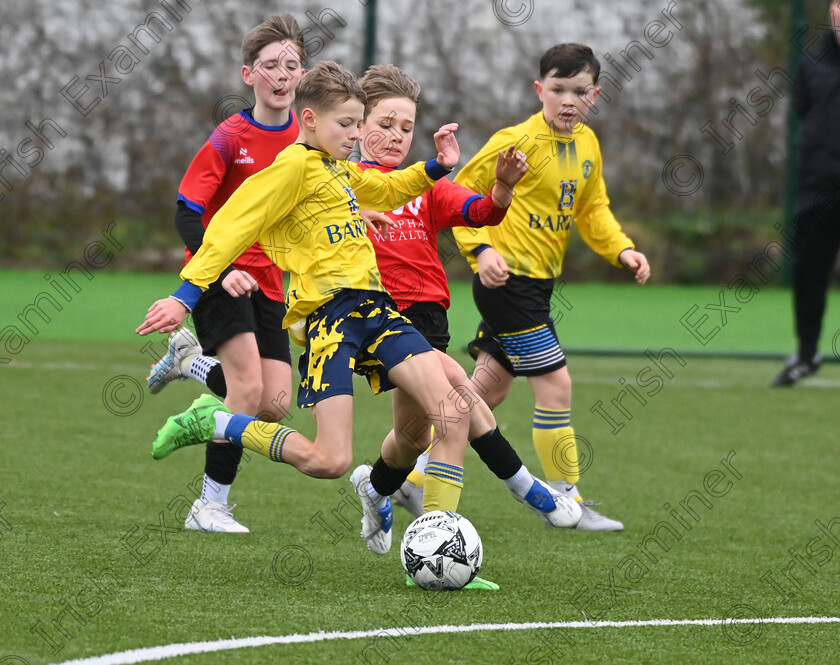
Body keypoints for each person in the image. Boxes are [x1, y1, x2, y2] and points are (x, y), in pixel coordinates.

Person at [137, 60, 468, 558]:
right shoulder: (290, 168)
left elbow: (388, 187)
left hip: (378, 313)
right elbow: (229, 229)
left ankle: (441, 546)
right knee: (328, 460)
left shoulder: (338, 168)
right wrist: (183, 297)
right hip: (331, 321)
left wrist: (437, 166)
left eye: (360, 124)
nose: (356, 134)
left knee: (451, 412)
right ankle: (218, 422)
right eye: (347, 124)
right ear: (309, 118)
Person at [357, 64, 581, 534]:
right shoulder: (341, 185)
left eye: (406, 127)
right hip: (379, 318)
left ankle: (375, 487)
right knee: (454, 408)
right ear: (358, 125)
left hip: (429, 320)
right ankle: (464, 520)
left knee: (412, 436)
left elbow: (482, 212)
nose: (396, 136)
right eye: (384, 124)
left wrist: (503, 185)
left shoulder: (424, 185)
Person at [452, 43, 651, 531]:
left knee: (486, 394)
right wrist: (482, 251)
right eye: (558, 89)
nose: (568, 100)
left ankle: (410, 476)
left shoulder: (588, 145)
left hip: (537, 287)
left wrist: (621, 248)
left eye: (579, 91)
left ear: (594, 95)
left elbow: (592, 208)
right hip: (506, 284)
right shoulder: (516, 141)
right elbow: (458, 194)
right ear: (540, 89)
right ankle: (568, 501)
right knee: (556, 385)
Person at [143, 15, 306, 534]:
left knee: (275, 403)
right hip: (220, 273)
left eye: (292, 65)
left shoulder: (308, 138)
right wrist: (226, 267)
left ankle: (189, 362)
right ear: (247, 74)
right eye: (270, 66)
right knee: (245, 391)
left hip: (271, 282)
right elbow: (187, 211)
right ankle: (209, 506)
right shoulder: (230, 136)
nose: (282, 75)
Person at [771, 0, 840, 387]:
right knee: (809, 271)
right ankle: (808, 352)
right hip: (819, 185)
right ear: (832, 10)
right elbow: (803, 112)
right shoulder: (813, 61)